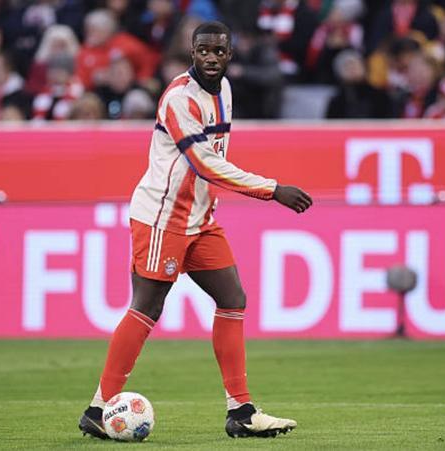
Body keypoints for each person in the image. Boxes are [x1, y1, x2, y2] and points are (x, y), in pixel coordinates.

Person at [78, 20, 311, 440]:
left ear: (229, 55)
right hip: (162, 216)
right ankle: (98, 408)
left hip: (199, 219)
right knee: (148, 306)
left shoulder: (225, 90)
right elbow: (206, 164)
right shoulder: (179, 100)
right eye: (203, 50)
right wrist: (273, 189)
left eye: (219, 51)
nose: (211, 57)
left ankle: (241, 411)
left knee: (232, 298)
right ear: (192, 51)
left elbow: (214, 158)